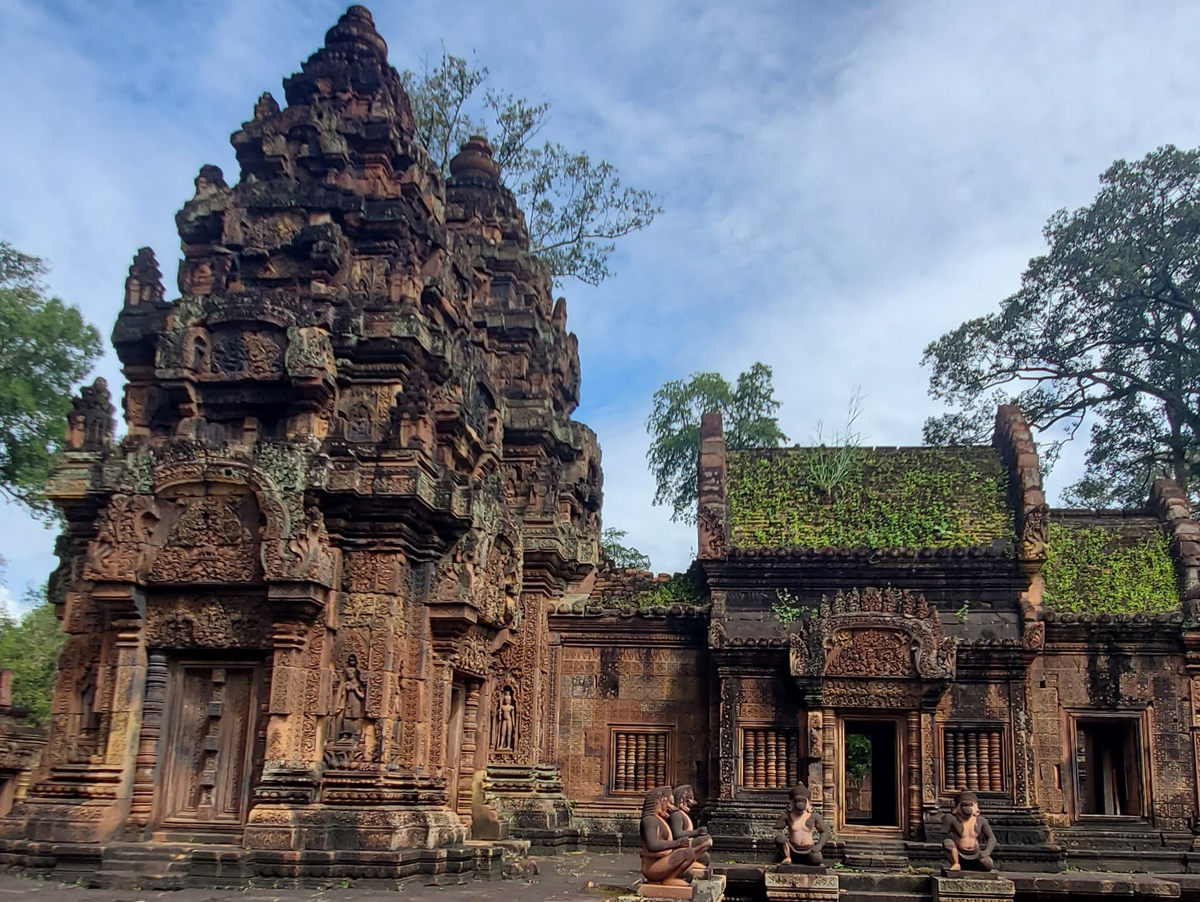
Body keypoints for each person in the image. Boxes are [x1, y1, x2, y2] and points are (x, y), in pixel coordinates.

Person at [640, 787, 713, 886]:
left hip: (662, 860)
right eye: (667, 803)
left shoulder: (658, 819)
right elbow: (652, 845)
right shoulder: (649, 820)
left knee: (695, 867)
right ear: (657, 803)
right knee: (688, 853)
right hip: (652, 866)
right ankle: (670, 878)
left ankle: (672, 876)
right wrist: (677, 843)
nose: (670, 807)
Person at [775, 785, 829, 866]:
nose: (800, 803)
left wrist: (819, 845)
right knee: (779, 838)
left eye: (803, 800)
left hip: (809, 849)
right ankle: (788, 857)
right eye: (797, 800)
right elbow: (776, 830)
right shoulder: (787, 816)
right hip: (791, 848)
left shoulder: (814, 816)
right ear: (792, 802)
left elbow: (825, 832)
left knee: (816, 859)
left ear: (808, 802)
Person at [942, 791, 997, 871]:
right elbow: (941, 835)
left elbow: (992, 838)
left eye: (970, 805)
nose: (967, 808)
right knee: (947, 842)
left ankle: (976, 866)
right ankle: (956, 863)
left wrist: (987, 851)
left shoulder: (980, 820)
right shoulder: (952, 819)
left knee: (987, 865)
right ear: (957, 807)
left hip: (976, 854)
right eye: (964, 805)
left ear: (975, 806)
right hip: (958, 854)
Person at [668, 785, 711, 868]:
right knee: (707, 840)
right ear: (680, 800)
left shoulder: (682, 814)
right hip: (679, 847)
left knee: (705, 858)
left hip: (687, 847)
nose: (690, 804)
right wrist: (696, 832)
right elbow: (677, 834)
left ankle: (688, 863)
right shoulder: (676, 815)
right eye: (688, 801)